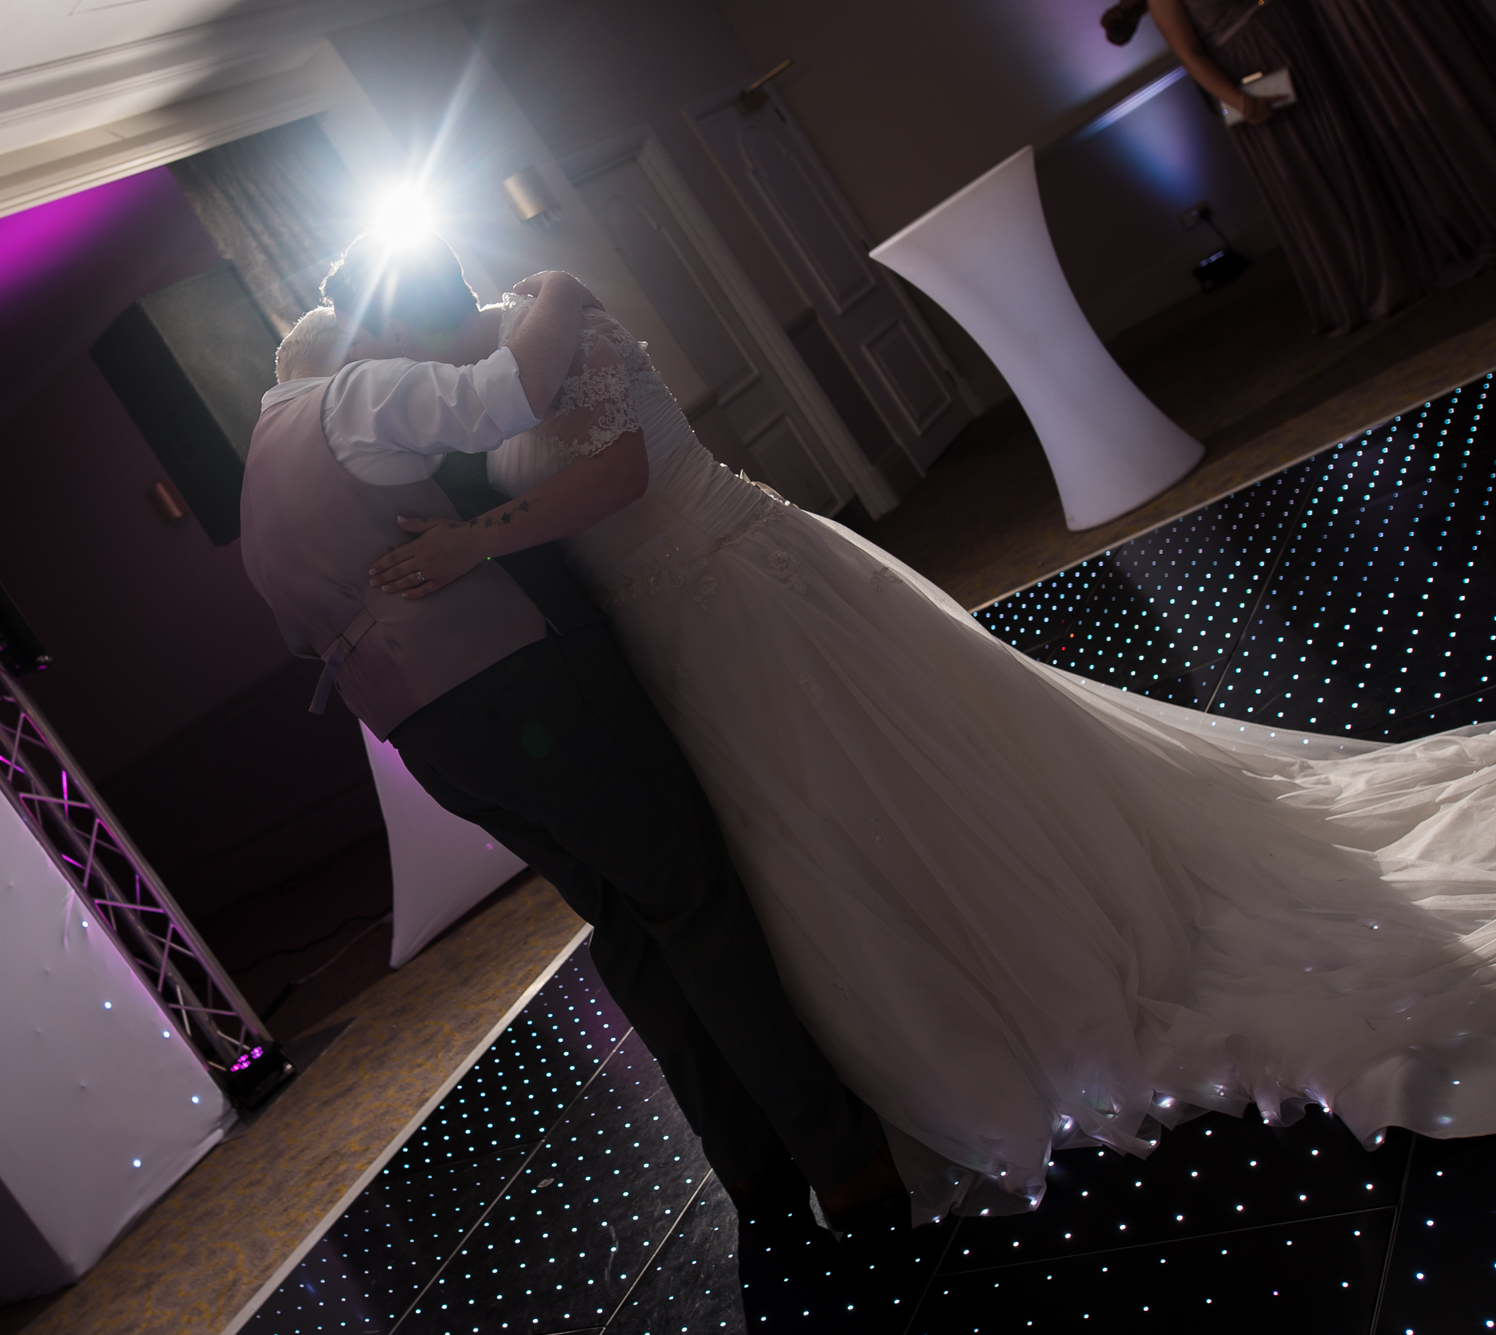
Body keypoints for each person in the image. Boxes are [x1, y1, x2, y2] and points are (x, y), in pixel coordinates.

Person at [364, 260, 1496, 1224]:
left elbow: (619, 470)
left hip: (735, 590)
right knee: (804, 835)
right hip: (667, 635)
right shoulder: (474, 399)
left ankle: (1039, 965)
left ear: (438, 306)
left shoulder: (547, 303)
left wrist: (472, 542)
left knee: (876, 783)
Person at [236, 239, 902, 1242]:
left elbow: (298, 630)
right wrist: (556, 284)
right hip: (522, 692)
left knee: (622, 924)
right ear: (366, 333)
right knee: (689, 901)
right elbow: (503, 393)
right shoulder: (353, 399)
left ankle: (749, 1166)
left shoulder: (263, 458)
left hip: (429, 735)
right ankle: (843, 1160)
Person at [1104, 0, 1496, 333]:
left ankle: (1405, 252)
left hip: (1299, 45)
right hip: (1247, 72)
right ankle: (1372, 276)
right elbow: (1190, 55)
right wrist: (1240, 102)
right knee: (1320, 172)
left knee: (1354, 150)